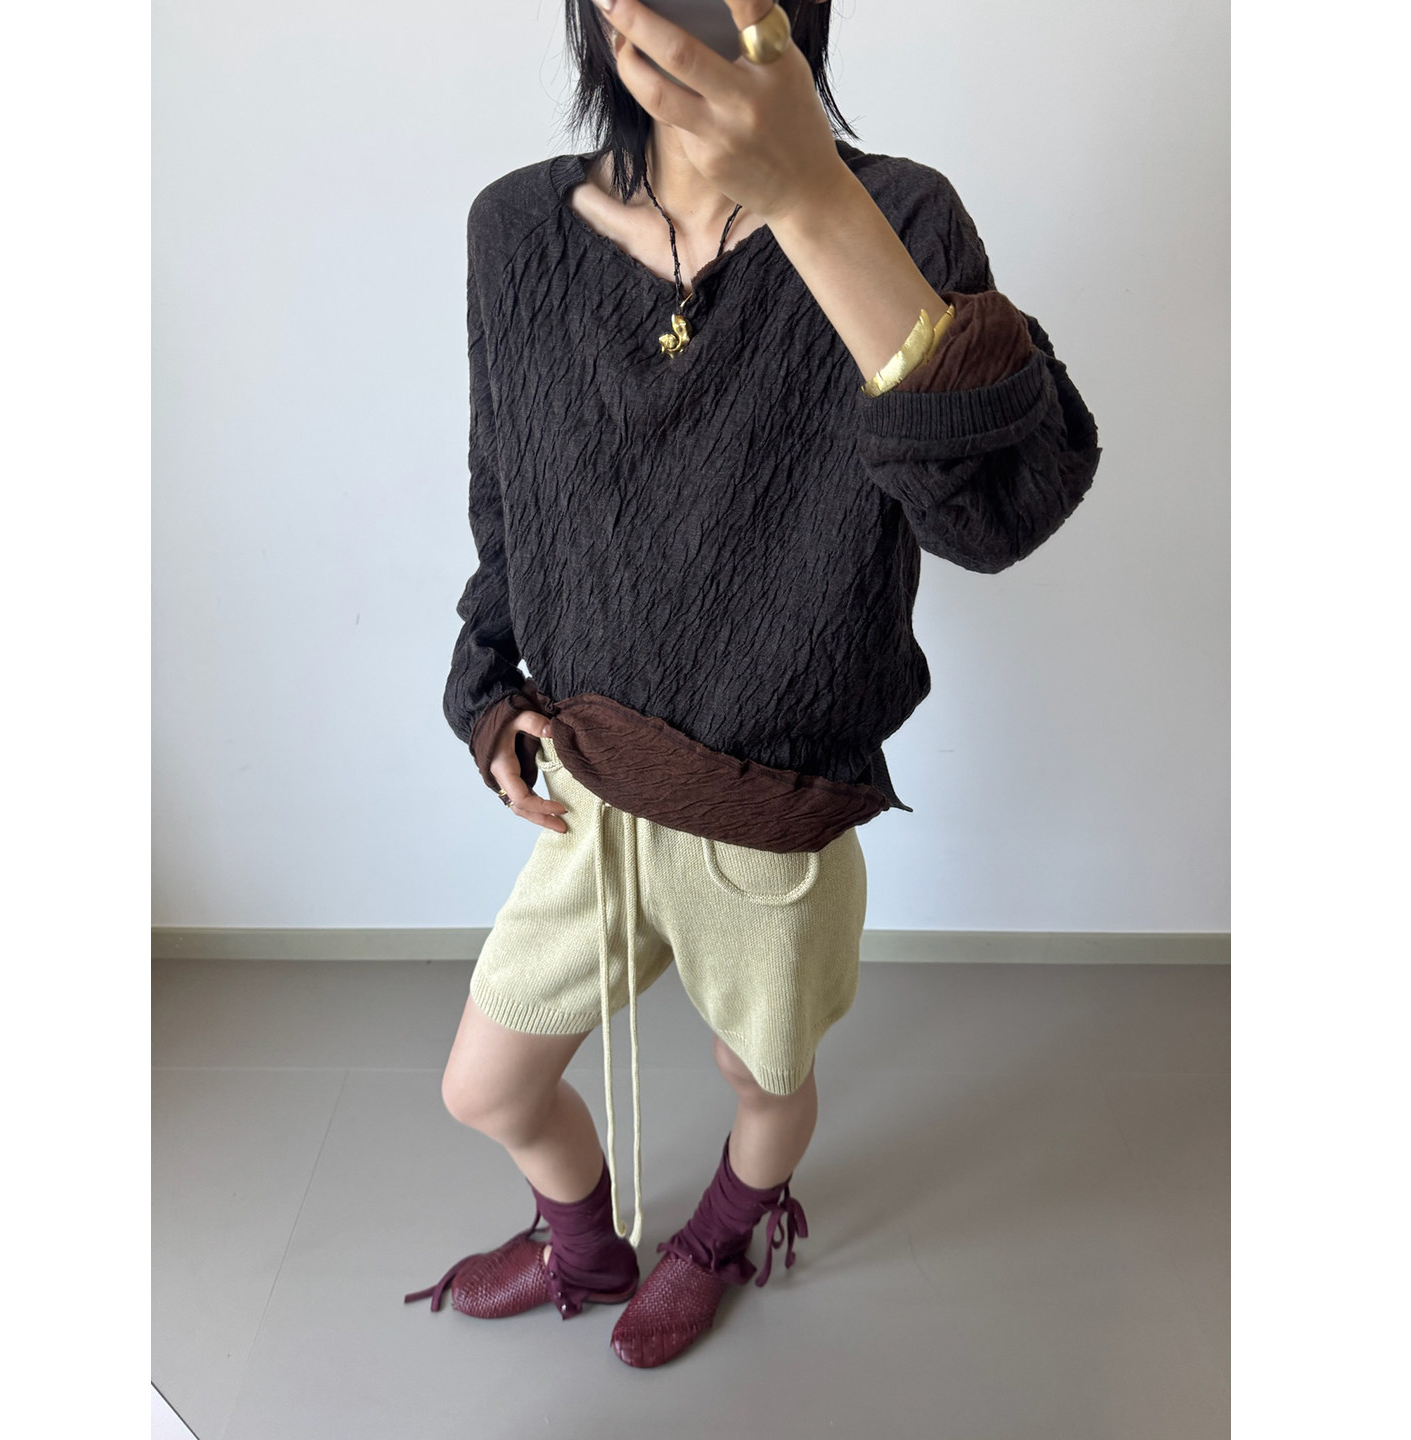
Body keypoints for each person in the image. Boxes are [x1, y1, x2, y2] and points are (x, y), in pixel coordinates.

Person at [406, 0, 1100, 1369]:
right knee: (485, 1083)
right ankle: (582, 1245)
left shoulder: (897, 217)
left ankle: (724, 1233)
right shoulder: (517, 229)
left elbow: (1003, 511)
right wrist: (489, 684)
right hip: (594, 789)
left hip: (774, 812)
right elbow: (509, 496)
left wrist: (813, 202)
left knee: (761, 1078)